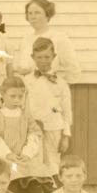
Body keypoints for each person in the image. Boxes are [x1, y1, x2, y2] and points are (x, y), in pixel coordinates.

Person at [0, 76, 52, 193]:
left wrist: (27, 154)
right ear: (2, 94)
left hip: (24, 159)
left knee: (35, 183)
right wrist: (8, 154)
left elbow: (34, 135)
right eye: (12, 96)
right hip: (4, 159)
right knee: (11, 181)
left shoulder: (26, 116)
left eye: (20, 96)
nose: (16, 99)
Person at [23, 37, 73, 178]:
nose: (43, 60)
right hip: (32, 128)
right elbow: (22, 106)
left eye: (47, 57)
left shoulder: (61, 83)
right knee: (33, 160)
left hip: (54, 128)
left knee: (53, 162)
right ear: (33, 57)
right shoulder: (26, 81)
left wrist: (66, 136)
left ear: (54, 57)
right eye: (39, 57)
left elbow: (66, 111)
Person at [15, 0, 81, 84]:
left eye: (37, 12)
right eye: (30, 13)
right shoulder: (26, 39)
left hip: (49, 92)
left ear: (47, 14)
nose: (32, 17)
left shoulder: (59, 38)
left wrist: (58, 86)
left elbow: (74, 71)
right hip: (27, 91)